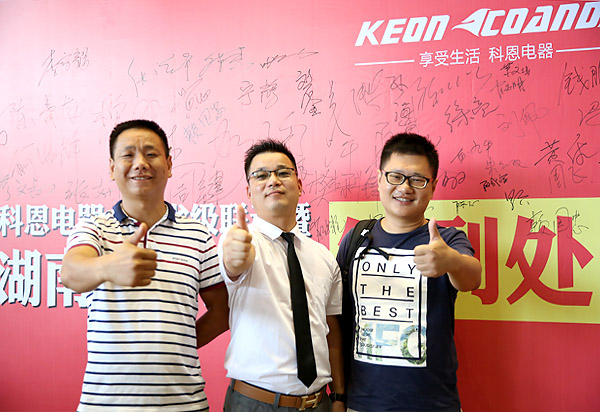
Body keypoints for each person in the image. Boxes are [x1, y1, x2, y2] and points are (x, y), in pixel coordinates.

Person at [61, 119, 229, 411]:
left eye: (151, 154)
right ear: (112, 168)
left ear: (169, 165)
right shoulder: (95, 228)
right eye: (128, 155)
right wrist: (108, 266)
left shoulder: (197, 234)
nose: (140, 163)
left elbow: (223, 310)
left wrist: (176, 347)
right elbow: (70, 273)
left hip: (184, 404)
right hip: (106, 405)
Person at [336, 133, 481, 412]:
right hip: (362, 403)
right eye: (395, 176)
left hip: (432, 404)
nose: (405, 187)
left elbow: (472, 278)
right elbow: (337, 320)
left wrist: (451, 261)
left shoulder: (448, 239)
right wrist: (339, 396)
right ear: (380, 179)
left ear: (432, 186)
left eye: (417, 179)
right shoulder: (355, 238)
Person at [218, 139, 345, 412]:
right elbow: (233, 266)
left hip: (320, 403)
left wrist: (339, 396)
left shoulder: (323, 256)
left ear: (299, 185)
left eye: (283, 173)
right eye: (261, 175)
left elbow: (331, 330)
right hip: (255, 404)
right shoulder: (240, 242)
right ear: (249, 191)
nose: (273, 180)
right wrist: (235, 258)